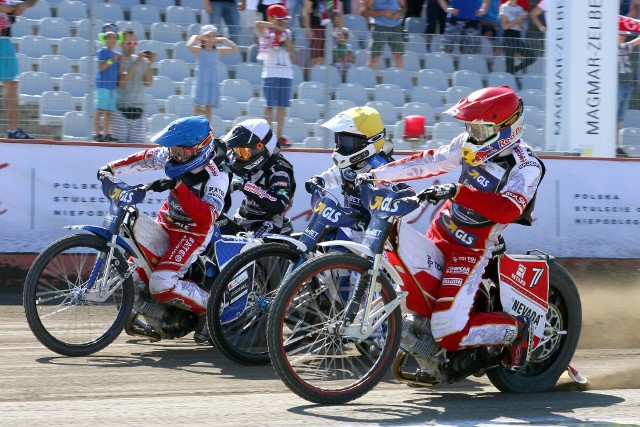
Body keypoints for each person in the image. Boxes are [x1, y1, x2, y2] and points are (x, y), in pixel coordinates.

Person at [360, 86, 545, 371]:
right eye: (469, 127)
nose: (472, 135)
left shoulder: (526, 165)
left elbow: (509, 209)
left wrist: (459, 192)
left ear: (507, 128)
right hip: (439, 234)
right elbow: (431, 161)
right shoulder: (469, 142)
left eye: (480, 129)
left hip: (471, 250)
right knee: (395, 255)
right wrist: (376, 175)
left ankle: (517, 329)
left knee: (448, 331)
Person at [97, 116, 230, 344]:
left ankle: (212, 308)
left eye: (180, 151)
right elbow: (144, 158)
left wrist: (177, 187)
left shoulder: (217, 175)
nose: (174, 155)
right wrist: (111, 168)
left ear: (199, 148)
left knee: (161, 283)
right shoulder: (173, 154)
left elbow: (206, 218)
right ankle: (153, 313)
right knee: (130, 274)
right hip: (167, 223)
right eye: (172, 149)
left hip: (194, 234)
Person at [305, 106, 408, 231]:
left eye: (348, 143)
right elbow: (334, 175)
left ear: (370, 142)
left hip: (375, 235)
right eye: (340, 140)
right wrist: (319, 180)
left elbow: (404, 202)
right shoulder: (349, 165)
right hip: (349, 225)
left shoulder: (386, 170)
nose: (341, 147)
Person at [222, 118, 296, 236]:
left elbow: (278, 204)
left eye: (243, 152)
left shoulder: (280, 171)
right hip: (241, 219)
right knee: (211, 227)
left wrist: (244, 185)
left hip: (267, 224)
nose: (238, 157)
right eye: (237, 151)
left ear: (260, 147)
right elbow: (219, 161)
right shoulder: (245, 159)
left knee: (246, 248)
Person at [256, 4, 294, 147]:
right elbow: (258, 24)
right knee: (269, 106)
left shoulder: (287, 32)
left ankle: (279, 136)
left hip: (286, 73)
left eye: (284, 19)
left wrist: (283, 33)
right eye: (280, 19)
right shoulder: (265, 31)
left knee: (282, 107)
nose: (283, 21)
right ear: (271, 18)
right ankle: (267, 135)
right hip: (270, 73)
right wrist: (277, 28)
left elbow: (291, 50)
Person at [187, 25, 239, 122]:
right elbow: (188, 46)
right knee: (196, 108)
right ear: (203, 37)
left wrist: (224, 40)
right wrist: (194, 37)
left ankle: (207, 132)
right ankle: (191, 130)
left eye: (213, 36)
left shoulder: (218, 51)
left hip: (212, 82)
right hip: (201, 82)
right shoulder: (199, 50)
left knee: (208, 109)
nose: (210, 39)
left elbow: (235, 49)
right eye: (208, 36)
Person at [1, 0, 37, 139]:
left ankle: (13, 130)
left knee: (11, 84)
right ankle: (13, 129)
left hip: (4, 40)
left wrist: (25, 4)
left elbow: (24, 5)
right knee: (11, 84)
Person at [112, 29, 155, 144]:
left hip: (139, 112)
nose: (133, 46)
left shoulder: (141, 60)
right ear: (121, 43)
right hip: (121, 112)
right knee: (117, 151)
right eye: (129, 43)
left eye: (135, 43)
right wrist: (136, 62)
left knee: (135, 154)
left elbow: (148, 83)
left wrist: (149, 64)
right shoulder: (117, 60)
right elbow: (122, 83)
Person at [94, 23, 121, 142]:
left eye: (114, 37)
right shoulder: (102, 52)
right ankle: (97, 134)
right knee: (100, 110)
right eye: (109, 37)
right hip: (103, 86)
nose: (111, 40)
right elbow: (101, 68)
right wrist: (112, 60)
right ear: (104, 39)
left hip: (112, 86)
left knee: (108, 112)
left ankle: (106, 134)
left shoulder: (118, 55)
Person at [365, 0, 406, 69]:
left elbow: (404, 8)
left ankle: (400, 78)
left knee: (398, 56)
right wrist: (383, 12)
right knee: (375, 56)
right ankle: (366, 77)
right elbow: (366, 12)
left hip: (396, 26)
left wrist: (399, 13)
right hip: (379, 25)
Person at [617, 31, 640, 155]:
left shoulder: (625, 47)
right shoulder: (608, 50)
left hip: (627, 85)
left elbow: (637, 41)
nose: (623, 36)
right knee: (615, 116)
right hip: (618, 84)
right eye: (620, 34)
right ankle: (616, 146)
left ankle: (618, 146)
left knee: (619, 118)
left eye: (624, 34)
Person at [303, 0, 344, 67]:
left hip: (330, 29)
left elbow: (340, 13)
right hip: (316, 28)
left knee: (325, 60)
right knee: (315, 59)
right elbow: (306, 11)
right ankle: (308, 76)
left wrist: (341, 29)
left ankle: (319, 76)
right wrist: (308, 29)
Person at [499, 0, 536, 75]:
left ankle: (516, 69)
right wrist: (517, 20)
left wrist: (519, 21)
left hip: (517, 37)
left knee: (532, 57)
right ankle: (510, 76)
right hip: (508, 37)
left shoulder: (520, 8)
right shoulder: (504, 7)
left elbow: (522, 27)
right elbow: (504, 27)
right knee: (509, 68)